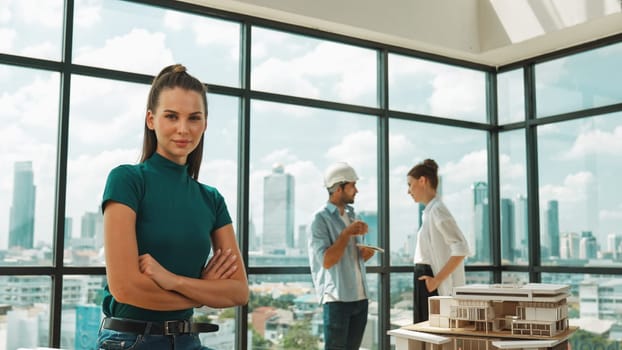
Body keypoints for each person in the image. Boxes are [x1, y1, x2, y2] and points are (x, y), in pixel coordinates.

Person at [97, 64, 249, 350]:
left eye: (194, 118)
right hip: (130, 341)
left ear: (204, 124)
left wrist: (172, 280)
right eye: (171, 116)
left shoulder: (211, 199)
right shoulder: (127, 180)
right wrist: (205, 293)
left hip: (189, 340)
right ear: (151, 120)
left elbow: (239, 291)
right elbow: (125, 288)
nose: (183, 129)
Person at [308, 162, 376, 350]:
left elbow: (351, 258)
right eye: (352, 185)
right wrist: (346, 234)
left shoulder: (353, 215)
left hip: (360, 298)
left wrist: (365, 254)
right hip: (337, 300)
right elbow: (327, 261)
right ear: (339, 188)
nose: (357, 190)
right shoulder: (319, 219)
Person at [407, 159, 470, 324]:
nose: (409, 191)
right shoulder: (429, 212)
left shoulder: (437, 210)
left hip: (430, 283)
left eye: (410, 184)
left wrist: (436, 281)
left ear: (422, 181)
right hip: (427, 281)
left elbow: (461, 248)